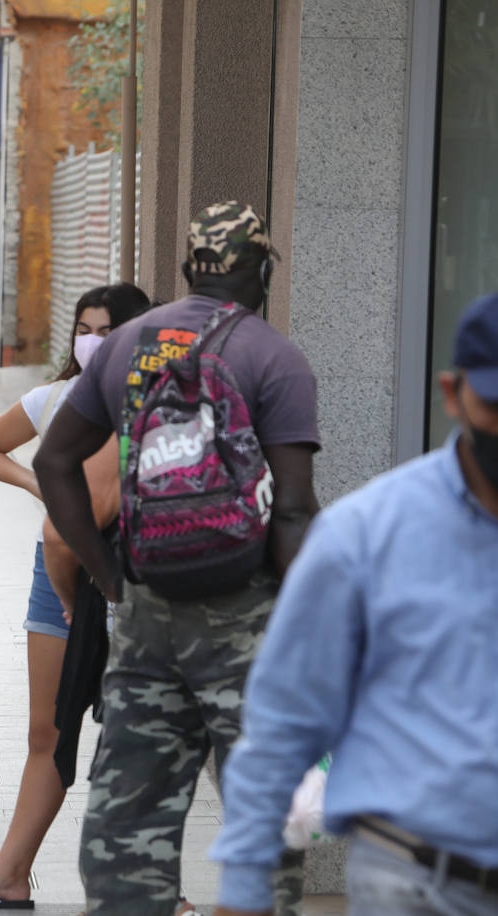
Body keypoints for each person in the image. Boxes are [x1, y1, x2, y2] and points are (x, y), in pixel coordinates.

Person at [34, 201, 319, 915]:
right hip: (244, 612)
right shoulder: (272, 356)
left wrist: (108, 575)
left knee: (130, 812)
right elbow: (291, 508)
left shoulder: (127, 343)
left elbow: (54, 461)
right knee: (262, 811)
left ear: (192, 267)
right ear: (260, 271)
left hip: (145, 607)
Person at [208, 291, 498, 916]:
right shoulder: (368, 534)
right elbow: (285, 716)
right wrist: (242, 885)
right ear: (453, 395)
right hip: (416, 882)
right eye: (496, 405)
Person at [0, 283, 150, 910]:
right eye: (84, 328)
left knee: (145, 736)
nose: (93, 341)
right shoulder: (58, 399)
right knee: (46, 732)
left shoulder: (155, 404)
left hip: (134, 575)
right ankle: (9, 874)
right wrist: (41, 487)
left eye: (107, 330)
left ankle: (157, 889)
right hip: (59, 570)